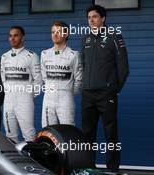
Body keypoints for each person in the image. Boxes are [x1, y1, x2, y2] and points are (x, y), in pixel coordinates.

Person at [81, 5, 129, 172]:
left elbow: (123, 69)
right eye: (89, 18)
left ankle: (112, 169)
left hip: (106, 93)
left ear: (103, 19)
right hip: (87, 94)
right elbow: (83, 65)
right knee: (87, 134)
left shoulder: (114, 37)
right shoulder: (85, 39)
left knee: (111, 134)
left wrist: (113, 90)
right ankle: (87, 168)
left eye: (95, 17)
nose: (91, 20)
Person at [1, 26, 42, 142]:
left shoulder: (32, 56)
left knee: (28, 133)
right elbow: (3, 78)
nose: (12, 38)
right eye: (10, 35)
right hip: (8, 100)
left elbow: (38, 80)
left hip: (25, 100)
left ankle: (31, 160)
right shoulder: (5, 56)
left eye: (16, 35)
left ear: (22, 38)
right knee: (10, 135)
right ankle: (15, 160)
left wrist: (28, 95)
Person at [41, 21, 82, 127]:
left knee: (68, 131)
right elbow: (44, 76)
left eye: (58, 32)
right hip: (48, 98)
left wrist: (68, 93)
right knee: (48, 131)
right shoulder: (45, 54)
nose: (55, 34)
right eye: (53, 32)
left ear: (66, 34)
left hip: (66, 97)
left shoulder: (74, 54)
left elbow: (79, 79)